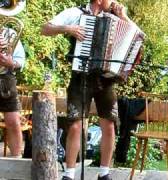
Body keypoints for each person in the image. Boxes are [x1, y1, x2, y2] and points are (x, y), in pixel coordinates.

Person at [41, 0, 131, 180]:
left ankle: (104, 173)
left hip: (105, 78)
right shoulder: (75, 13)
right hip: (80, 76)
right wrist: (68, 29)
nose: (113, 1)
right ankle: (69, 174)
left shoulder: (115, 17)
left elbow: (134, 37)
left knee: (110, 125)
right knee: (75, 125)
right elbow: (45, 29)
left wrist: (124, 17)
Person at [0, 28, 25, 158]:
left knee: (13, 121)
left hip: (6, 79)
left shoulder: (10, 33)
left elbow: (21, 61)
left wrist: (11, 63)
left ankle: (16, 159)